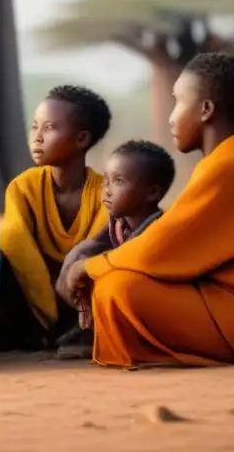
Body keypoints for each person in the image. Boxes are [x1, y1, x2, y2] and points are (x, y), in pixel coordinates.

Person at [63, 53, 234, 368]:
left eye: (178, 102)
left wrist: (90, 266)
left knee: (118, 287)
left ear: (206, 110)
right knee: (116, 284)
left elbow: (158, 248)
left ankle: (146, 352)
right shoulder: (225, 162)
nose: (171, 117)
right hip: (228, 306)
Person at [0, 85, 111, 353]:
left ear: (81, 139)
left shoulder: (106, 193)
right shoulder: (23, 187)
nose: (38, 138)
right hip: (33, 304)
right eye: (35, 127)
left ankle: (86, 333)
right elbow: (19, 253)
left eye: (50, 128)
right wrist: (48, 318)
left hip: (82, 301)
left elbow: (93, 256)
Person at [54, 140, 173, 359]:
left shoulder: (158, 228)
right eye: (106, 181)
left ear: (152, 193)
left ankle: (115, 340)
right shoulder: (119, 224)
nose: (107, 191)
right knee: (80, 258)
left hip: (155, 305)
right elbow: (93, 248)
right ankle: (94, 331)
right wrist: (78, 258)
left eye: (118, 181)